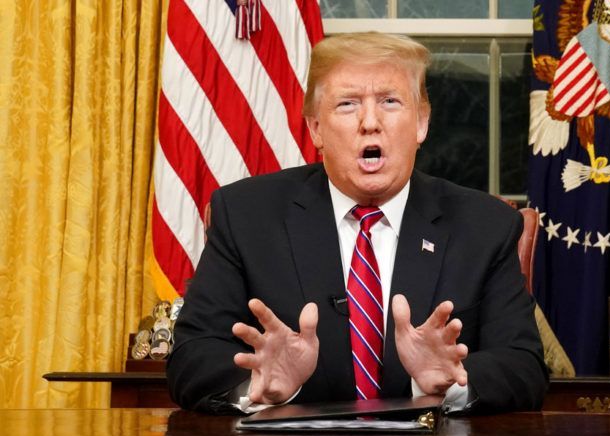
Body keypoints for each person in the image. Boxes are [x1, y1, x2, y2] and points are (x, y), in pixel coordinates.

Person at [166, 32, 548, 414]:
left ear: (422, 123)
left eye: (390, 101)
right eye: (348, 104)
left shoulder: (485, 227)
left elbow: (523, 367)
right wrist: (258, 386)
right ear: (315, 128)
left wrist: (451, 380)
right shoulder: (246, 216)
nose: (370, 122)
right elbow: (190, 356)